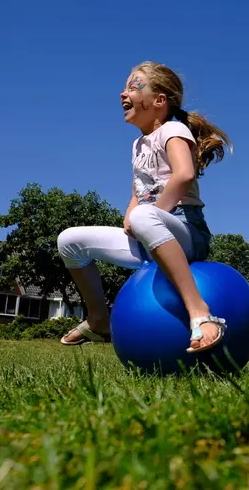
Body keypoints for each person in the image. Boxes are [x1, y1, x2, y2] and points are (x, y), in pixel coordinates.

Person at [56, 61, 231, 353]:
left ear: (159, 101)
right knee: (70, 241)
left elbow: (184, 174)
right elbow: (139, 189)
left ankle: (200, 311)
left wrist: (148, 215)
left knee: (144, 216)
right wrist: (130, 217)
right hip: (148, 231)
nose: (122, 94)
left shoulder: (174, 130)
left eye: (133, 87)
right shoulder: (138, 145)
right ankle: (99, 319)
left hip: (185, 230)